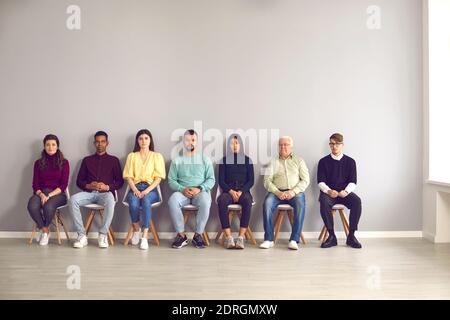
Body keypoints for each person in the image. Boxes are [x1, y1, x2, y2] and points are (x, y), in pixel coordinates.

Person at [69, 131, 124, 249]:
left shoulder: (114, 160)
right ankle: (81, 236)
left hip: (105, 194)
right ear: (94, 143)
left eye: (103, 141)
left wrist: (107, 187)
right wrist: (88, 185)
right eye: (97, 142)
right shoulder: (86, 160)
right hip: (89, 193)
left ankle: (103, 234)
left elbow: (120, 182)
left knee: (110, 198)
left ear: (107, 143)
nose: (100, 144)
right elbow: (79, 181)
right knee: (73, 199)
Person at [168, 129, 215, 249]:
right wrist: (182, 189)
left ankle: (198, 235)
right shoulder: (176, 160)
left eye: (193, 140)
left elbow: (211, 179)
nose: (190, 142)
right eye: (188, 140)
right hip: (183, 193)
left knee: (206, 200)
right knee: (172, 200)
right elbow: (171, 180)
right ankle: (181, 235)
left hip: (200, 192)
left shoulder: (205, 159)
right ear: (183, 142)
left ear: (197, 142)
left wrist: (199, 188)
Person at [260, 136, 310, 250]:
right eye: (281, 145)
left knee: (300, 205)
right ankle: (269, 239)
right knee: (267, 204)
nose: (283, 147)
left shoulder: (299, 161)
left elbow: (305, 180)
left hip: (295, 192)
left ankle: (294, 239)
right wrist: (277, 192)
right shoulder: (272, 162)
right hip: (276, 192)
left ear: (291, 147)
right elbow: (267, 181)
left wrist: (293, 191)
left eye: (286, 145)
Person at [123, 129, 166, 250]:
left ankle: (145, 237)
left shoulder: (157, 156)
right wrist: (135, 190)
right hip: (135, 187)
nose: (143, 141)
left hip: (151, 189)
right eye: (141, 138)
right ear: (137, 141)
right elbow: (128, 177)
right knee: (133, 202)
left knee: (146, 201)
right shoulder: (132, 156)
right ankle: (137, 230)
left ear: (150, 140)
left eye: (146, 138)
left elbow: (158, 178)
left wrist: (146, 191)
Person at [318, 133, 362, 249]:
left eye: (337, 144)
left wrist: (346, 192)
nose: (334, 146)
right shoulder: (323, 162)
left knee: (357, 201)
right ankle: (332, 236)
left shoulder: (350, 161)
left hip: (344, 192)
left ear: (342, 145)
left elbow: (353, 181)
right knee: (324, 201)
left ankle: (351, 236)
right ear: (329, 145)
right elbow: (320, 182)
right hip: (329, 193)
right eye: (332, 144)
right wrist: (328, 191)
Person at [27, 134, 69, 246]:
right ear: (44, 146)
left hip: (58, 194)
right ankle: (45, 230)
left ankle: (43, 232)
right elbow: (35, 184)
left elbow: (63, 185)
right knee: (32, 205)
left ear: (57, 146)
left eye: (53, 144)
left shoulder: (64, 163)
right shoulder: (38, 163)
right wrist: (41, 195)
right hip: (41, 193)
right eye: (48, 144)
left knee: (48, 206)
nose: (50, 147)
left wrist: (49, 195)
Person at [217, 134, 254, 249]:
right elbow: (221, 181)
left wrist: (241, 191)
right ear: (228, 146)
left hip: (243, 191)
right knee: (222, 201)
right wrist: (231, 191)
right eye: (232, 143)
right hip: (228, 191)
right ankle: (228, 237)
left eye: (236, 143)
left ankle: (241, 237)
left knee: (248, 200)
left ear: (240, 145)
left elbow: (251, 181)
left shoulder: (248, 160)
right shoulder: (223, 161)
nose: (234, 145)